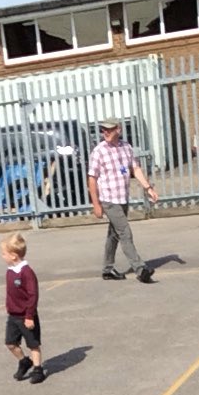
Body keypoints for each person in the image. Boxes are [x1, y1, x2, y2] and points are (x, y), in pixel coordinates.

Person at [87, 117, 160, 283]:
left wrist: (148, 188)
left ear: (118, 129)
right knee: (125, 232)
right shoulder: (99, 151)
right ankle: (140, 269)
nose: (105, 132)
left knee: (114, 234)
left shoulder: (126, 147)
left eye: (109, 129)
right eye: (103, 130)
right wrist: (96, 204)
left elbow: (135, 168)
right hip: (108, 199)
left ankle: (107, 269)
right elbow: (91, 178)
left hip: (122, 197)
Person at [0, 233, 46, 384]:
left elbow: (33, 295)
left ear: (13, 256)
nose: (2, 256)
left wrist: (29, 315)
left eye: (4, 254)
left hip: (26, 314)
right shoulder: (10, 271)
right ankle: (24, 361)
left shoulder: (26, 272)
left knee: (33, 344)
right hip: (13, 315)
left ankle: (38, 369)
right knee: (10, 343)